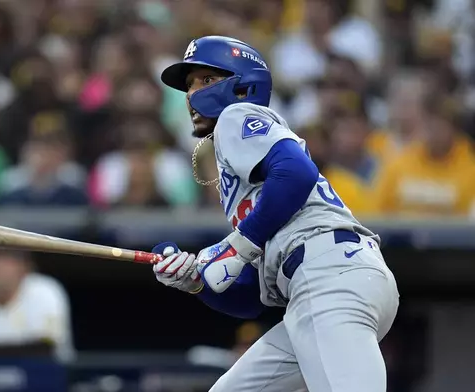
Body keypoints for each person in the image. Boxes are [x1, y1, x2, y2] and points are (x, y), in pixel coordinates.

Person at [152, 36, 400, 392]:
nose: (192, 94)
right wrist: (194, 281)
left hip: (328, 275)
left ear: (242, 85)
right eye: (189, 86)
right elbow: (253, 297)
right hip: (320, 281)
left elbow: (297, 172)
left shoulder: (236, 116)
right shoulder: (244, 175)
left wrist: (236, 247)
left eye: (205, 80)